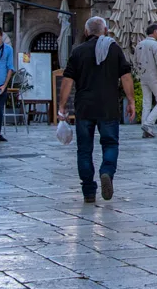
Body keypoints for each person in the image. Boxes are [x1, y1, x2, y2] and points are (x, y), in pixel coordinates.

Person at [57, 17, 135, 203]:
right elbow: (125, 77)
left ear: (86, 32)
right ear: (105, 30)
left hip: (84, 107)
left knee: (84, 150)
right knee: (110, 144)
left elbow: (67, 81)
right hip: (108, 106)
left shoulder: (78, 52)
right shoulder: (114, 49)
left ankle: (88, 192)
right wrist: (131, 101)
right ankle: (106, 172)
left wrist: (61, 106)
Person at [134, 24, 157, 138]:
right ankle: (148, 124)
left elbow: (135, 62)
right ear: (153, 32)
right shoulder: (156, 45)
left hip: (143, 77)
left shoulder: (139, 45)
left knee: (146, 102)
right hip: (155, 77)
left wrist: (139, 73)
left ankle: (145, 128)